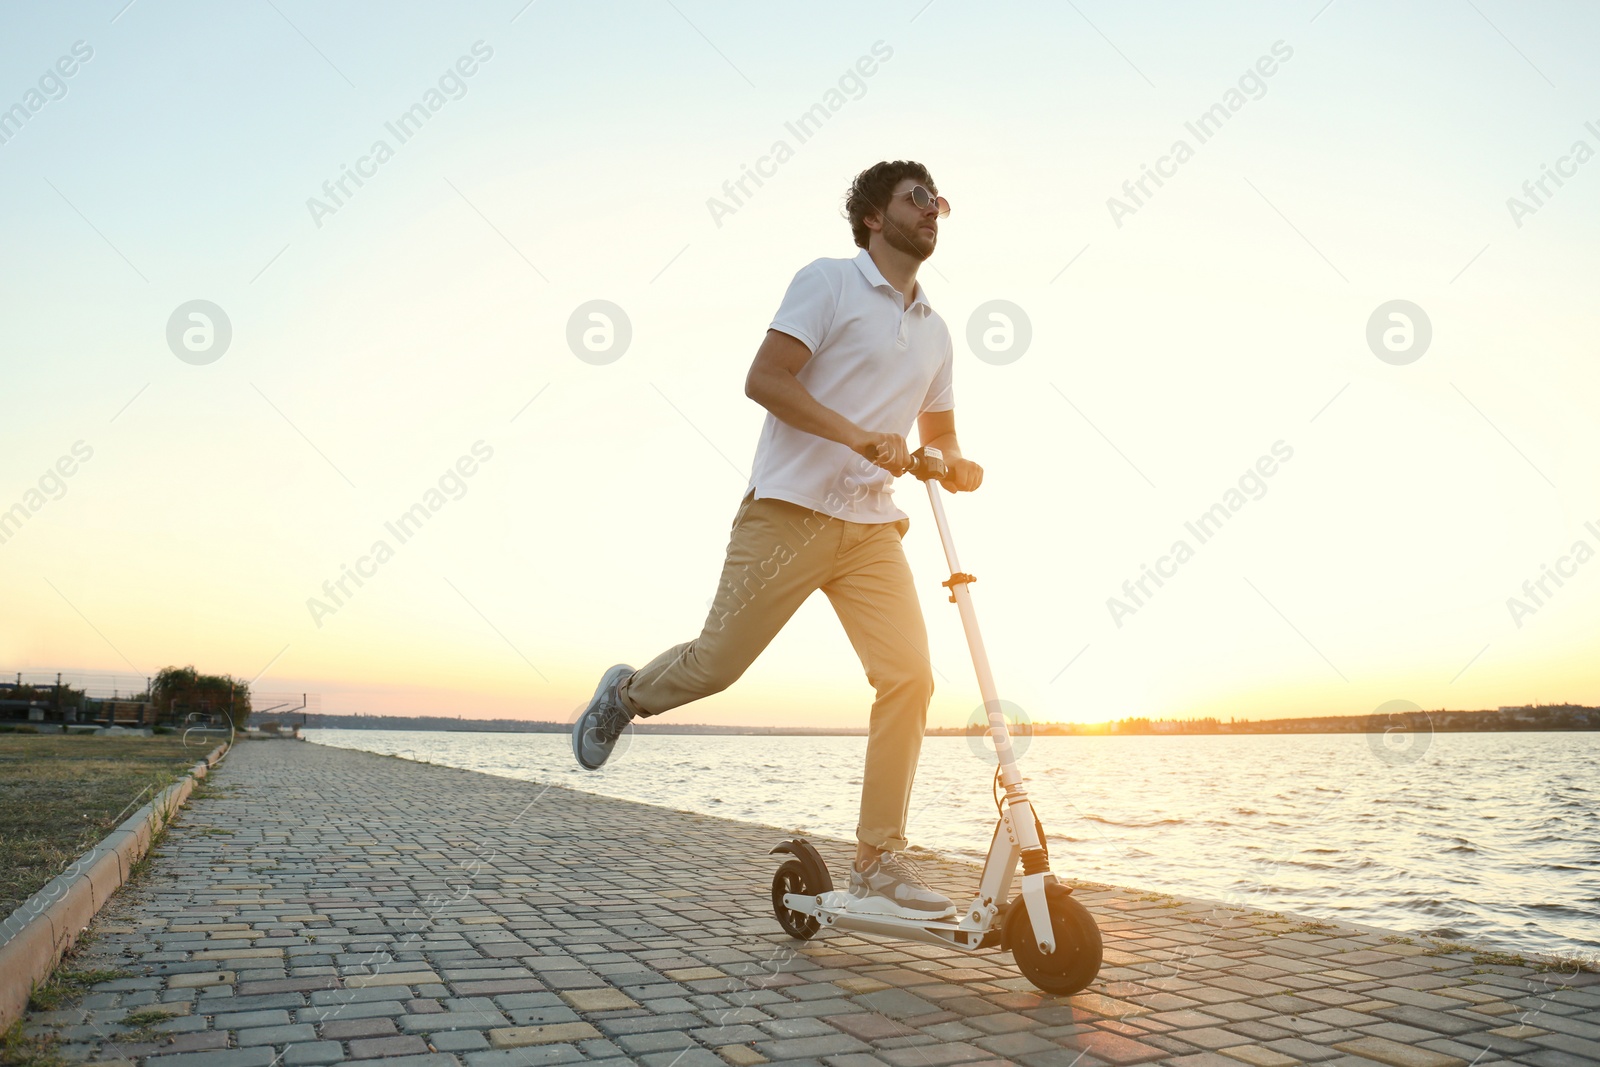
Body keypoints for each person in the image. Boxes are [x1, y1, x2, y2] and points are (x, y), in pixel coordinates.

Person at [571, 160, 983, 920]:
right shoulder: (827, 282)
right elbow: (767, 379)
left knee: (911, 678)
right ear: (871, 216)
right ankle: (626, 696)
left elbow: (942, 430)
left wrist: (954, 462)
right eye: (916, 199)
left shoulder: (936, 329)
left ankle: (879, 861)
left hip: (870, 530)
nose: (933, 212)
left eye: (940, 202)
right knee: (717, 664)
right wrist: (860, 436)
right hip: (787, 511)